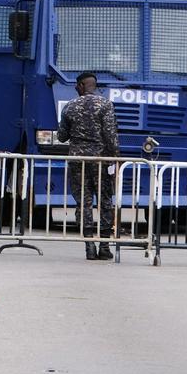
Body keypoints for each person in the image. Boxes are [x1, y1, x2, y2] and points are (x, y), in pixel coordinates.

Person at [57, 71, 121, 260]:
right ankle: (105, 246)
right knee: (105, 201)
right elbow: (110, 136)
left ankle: (89, 247)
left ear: (81, 86)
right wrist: (117, 158)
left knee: (84, 202)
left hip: (78, 162)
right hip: (101, 161)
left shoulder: (70, 106)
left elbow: (62, 137)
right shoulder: (106, 104)